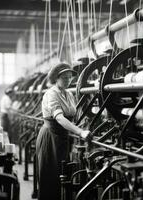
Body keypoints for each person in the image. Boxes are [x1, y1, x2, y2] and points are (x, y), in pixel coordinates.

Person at [36, 63, 91, 200]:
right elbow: (60, 118)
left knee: (62, 174)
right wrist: (80, 132)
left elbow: (74, 115)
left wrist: (85, 126)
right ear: (56, 78)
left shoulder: (69, 94)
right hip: (51, 137)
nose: (68, 80)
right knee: (50, 177)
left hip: (63, 137)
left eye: (69, 77)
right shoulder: (51, 94)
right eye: (64, 78)